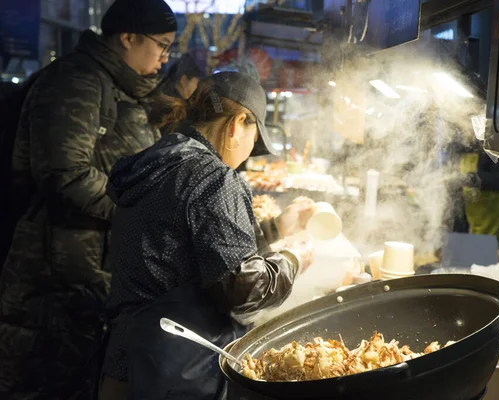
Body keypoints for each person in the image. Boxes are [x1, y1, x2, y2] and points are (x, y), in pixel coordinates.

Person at [98, 71, 315, 400]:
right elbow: (242, 290)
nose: (246, 155)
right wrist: (293, 258)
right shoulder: (214, 177)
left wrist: (275, 230)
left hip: (124, 363)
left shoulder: (158, 161)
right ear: (237, 123)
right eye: (253, 141)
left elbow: (192, 249)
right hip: (174, 371)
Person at [0, 0, 177, 398]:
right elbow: (65, 172)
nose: (165, 57)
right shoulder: (77, 80)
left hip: (93, 277)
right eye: (161, 45)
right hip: (54, 280)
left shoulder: (125, 89)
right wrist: (140, 209)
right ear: (127, 37)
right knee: (41, 386)